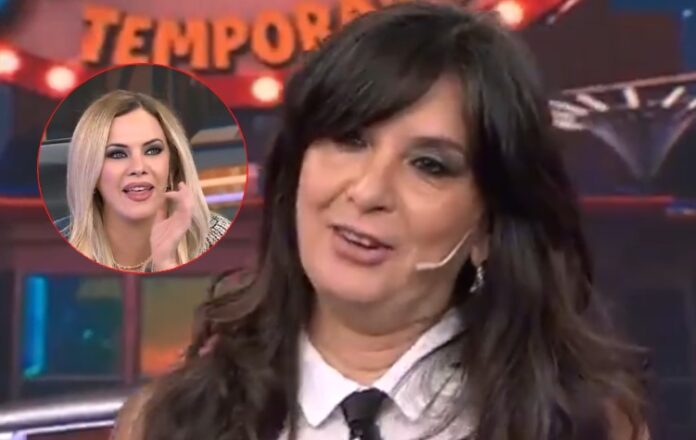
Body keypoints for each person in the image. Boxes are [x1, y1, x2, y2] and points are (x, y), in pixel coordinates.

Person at [113, 2, 649, 439]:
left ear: (487, 226)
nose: (369, 191)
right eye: (350, 139)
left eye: (429, 165)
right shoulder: (167, 424)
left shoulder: (586, 427)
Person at [55, 90, 231, 272]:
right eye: (117, 154)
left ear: (172, 163)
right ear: (90, 170)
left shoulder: (217, 239)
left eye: (152, 151)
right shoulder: (52, 248)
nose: (138, 167)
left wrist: (166, 264)